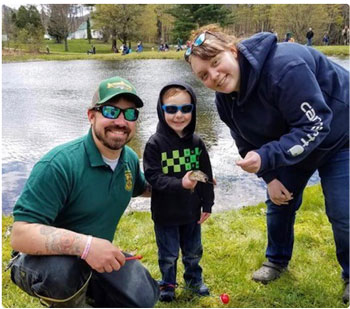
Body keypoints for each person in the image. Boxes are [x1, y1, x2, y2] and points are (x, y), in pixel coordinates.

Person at [184, 24, 349, 303]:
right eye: (204, 75)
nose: (214, 76)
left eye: (216, 63)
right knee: (278, 202)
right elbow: (245, 141)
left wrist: (268, 156)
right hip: (294, 138)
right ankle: (276, 261)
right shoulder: (225, 100)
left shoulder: (284, 68)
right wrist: (270, 176)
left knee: (343, 210)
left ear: (233, 51)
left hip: (339, 135)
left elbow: (315, 124)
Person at [9, 76, 160, 307]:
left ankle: (91, 289)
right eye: (111, 111)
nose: (121, 121)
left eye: (130, 114)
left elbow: (141, 188)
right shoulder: (59, 164)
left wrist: (183, 185)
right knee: (62, 274)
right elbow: (20, 235)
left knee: (143, 295)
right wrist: (87, 246)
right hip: (38, 262)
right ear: (91, 116)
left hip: (93, 255)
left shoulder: (128, 159)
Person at [143, 82, 215, 302]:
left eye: (186, 109)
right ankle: (168, 284)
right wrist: (180, 184)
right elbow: (153, 177)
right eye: (171, 109)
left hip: (191, 213)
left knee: (193, 252)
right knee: (168, 254)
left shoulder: (197, 143)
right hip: (165, 214)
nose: (179, 115)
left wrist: (207, 204)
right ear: (161, 110)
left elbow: (206, 176)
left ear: (193, 110)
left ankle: (194, 280)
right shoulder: (154, 144)